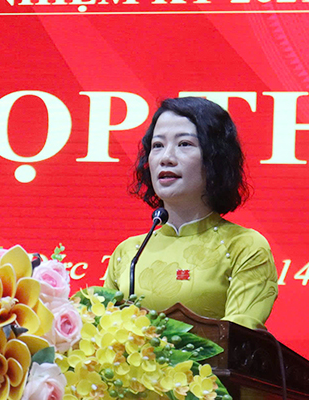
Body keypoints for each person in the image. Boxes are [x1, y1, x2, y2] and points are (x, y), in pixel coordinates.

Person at [103, 97, 278, 330]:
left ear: (215, 159)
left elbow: (239, 337)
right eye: (157, 145)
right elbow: (102, 333)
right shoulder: (129, 252)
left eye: (184, 144)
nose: (166, 157)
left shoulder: (244, 246)